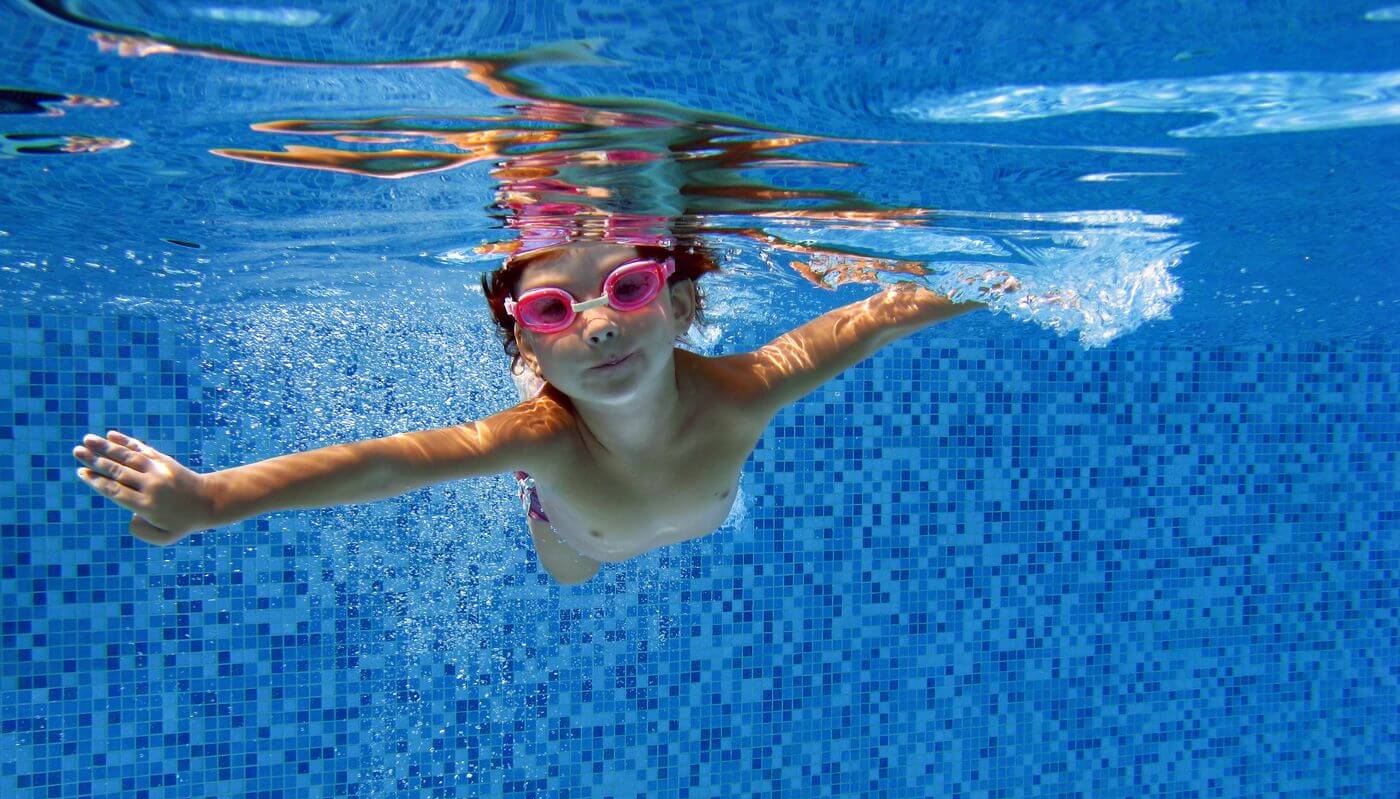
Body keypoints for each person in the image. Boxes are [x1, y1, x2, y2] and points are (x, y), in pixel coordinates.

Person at [71, 233, 1015, 585]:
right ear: (524, 336)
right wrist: (214, 498)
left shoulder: (748, 386)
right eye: (556, 310)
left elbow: (874, 317)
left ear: (683, 303)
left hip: (701, 504)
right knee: (569, 569)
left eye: (630, 286)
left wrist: (1010, 282)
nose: (600, 323)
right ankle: (532, 447)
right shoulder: (545, 443)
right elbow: (389, 463)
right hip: (577, 533)